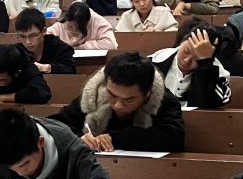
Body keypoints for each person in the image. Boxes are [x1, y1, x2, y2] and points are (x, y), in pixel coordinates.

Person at [49, 51, 185, 152]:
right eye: (112, 95)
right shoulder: (94, 95)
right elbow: (54, 125)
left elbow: (174, 138)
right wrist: (78, 138)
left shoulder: (163, 100)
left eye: (129, 99)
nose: (118, 105)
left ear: (147, 93)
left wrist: (116, 138)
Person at [149, 19, 232, 109]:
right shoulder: (156, 60)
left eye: (197, 58)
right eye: (186, 51)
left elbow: (217, 102)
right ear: (181, 43)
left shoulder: (219, 73)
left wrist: (205, 64)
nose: (187, 60)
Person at [14, 9, 76, 75]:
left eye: (33, 35)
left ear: (44, 31)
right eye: (22, 36)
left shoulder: (59, 47)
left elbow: (70, 69)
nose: (28, 42)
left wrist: (46, 68)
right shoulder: (17, 51)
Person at [47, 2, 117, 51]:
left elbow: (111, 45)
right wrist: (65, 46)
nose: (73, 30)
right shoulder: (60, 25)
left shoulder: (98, 22)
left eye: (78, 28)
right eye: (70, 27)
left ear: (87, 23)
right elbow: (44, 40)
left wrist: (81, 47)